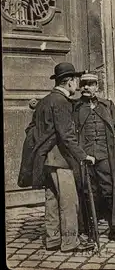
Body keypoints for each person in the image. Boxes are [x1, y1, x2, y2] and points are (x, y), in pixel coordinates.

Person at [18, 62, 95, 252]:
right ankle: (70, 242)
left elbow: (32, 129)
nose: (77, 85)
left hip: (45, 159)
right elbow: (66, 135)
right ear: (68, 82)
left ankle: (52, 239)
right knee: (69, 202)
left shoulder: (45, 100)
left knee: (52, 200)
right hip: (60, 159)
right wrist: (83, 155)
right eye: (76, 81)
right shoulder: (61, 102)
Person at [72, 72, 115, 243]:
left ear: (97, 87)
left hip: (106, 157)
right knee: (89, 192)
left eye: (90, 84)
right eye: (83, 84)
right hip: (86, 157)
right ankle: (92, 228)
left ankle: (114, 229)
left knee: (109, 190)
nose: (86, 87)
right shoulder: (75, 107)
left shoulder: (107, 105)